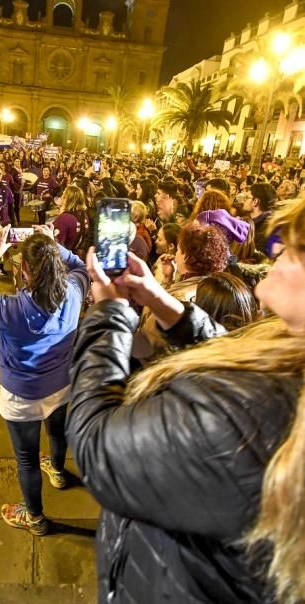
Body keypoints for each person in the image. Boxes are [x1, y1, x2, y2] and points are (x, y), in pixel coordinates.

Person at [66, 196, 305, 604]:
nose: (276, 248)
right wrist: (165, 304)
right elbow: (235, 354)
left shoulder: (239, 417)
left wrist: (109, 312)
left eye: (295, 245)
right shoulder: (287, 352)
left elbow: (94, 442)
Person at [0, 224, 89, 536]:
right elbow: (81, 267)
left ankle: (35, 518)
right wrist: (54, 243)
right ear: (56, 263)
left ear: (25, 271)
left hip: (23, 396)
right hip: (61, 384)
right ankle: (57, 472)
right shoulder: (73, 292)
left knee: (27, 459)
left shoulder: (11, 308)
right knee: (57, 433)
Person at [242, 183, 277, 255]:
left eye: (246, 198)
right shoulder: (255, 221)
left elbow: (256, 255)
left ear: (255, 202)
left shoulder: (267, 227)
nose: (243, 201)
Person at [53, 184, 89, 255]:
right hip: (76, 256)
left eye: (63, 195)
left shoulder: (63, 219)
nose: (61, 197)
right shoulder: (84, 216)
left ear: (67, 199)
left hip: (64, 260)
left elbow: (56, 245)